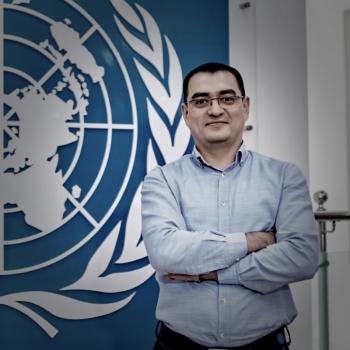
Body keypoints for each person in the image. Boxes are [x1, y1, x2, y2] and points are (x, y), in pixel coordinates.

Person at [141, 62, 319, 350]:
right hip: (178, 345)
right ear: (186, 113)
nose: (215, 109)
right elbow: (166, 252)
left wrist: (211, 273)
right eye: (201, 101)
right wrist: (250, 242)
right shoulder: (161, 180)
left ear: (245, 106)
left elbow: (302, 257)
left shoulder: (284, 177)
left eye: (227, 98)